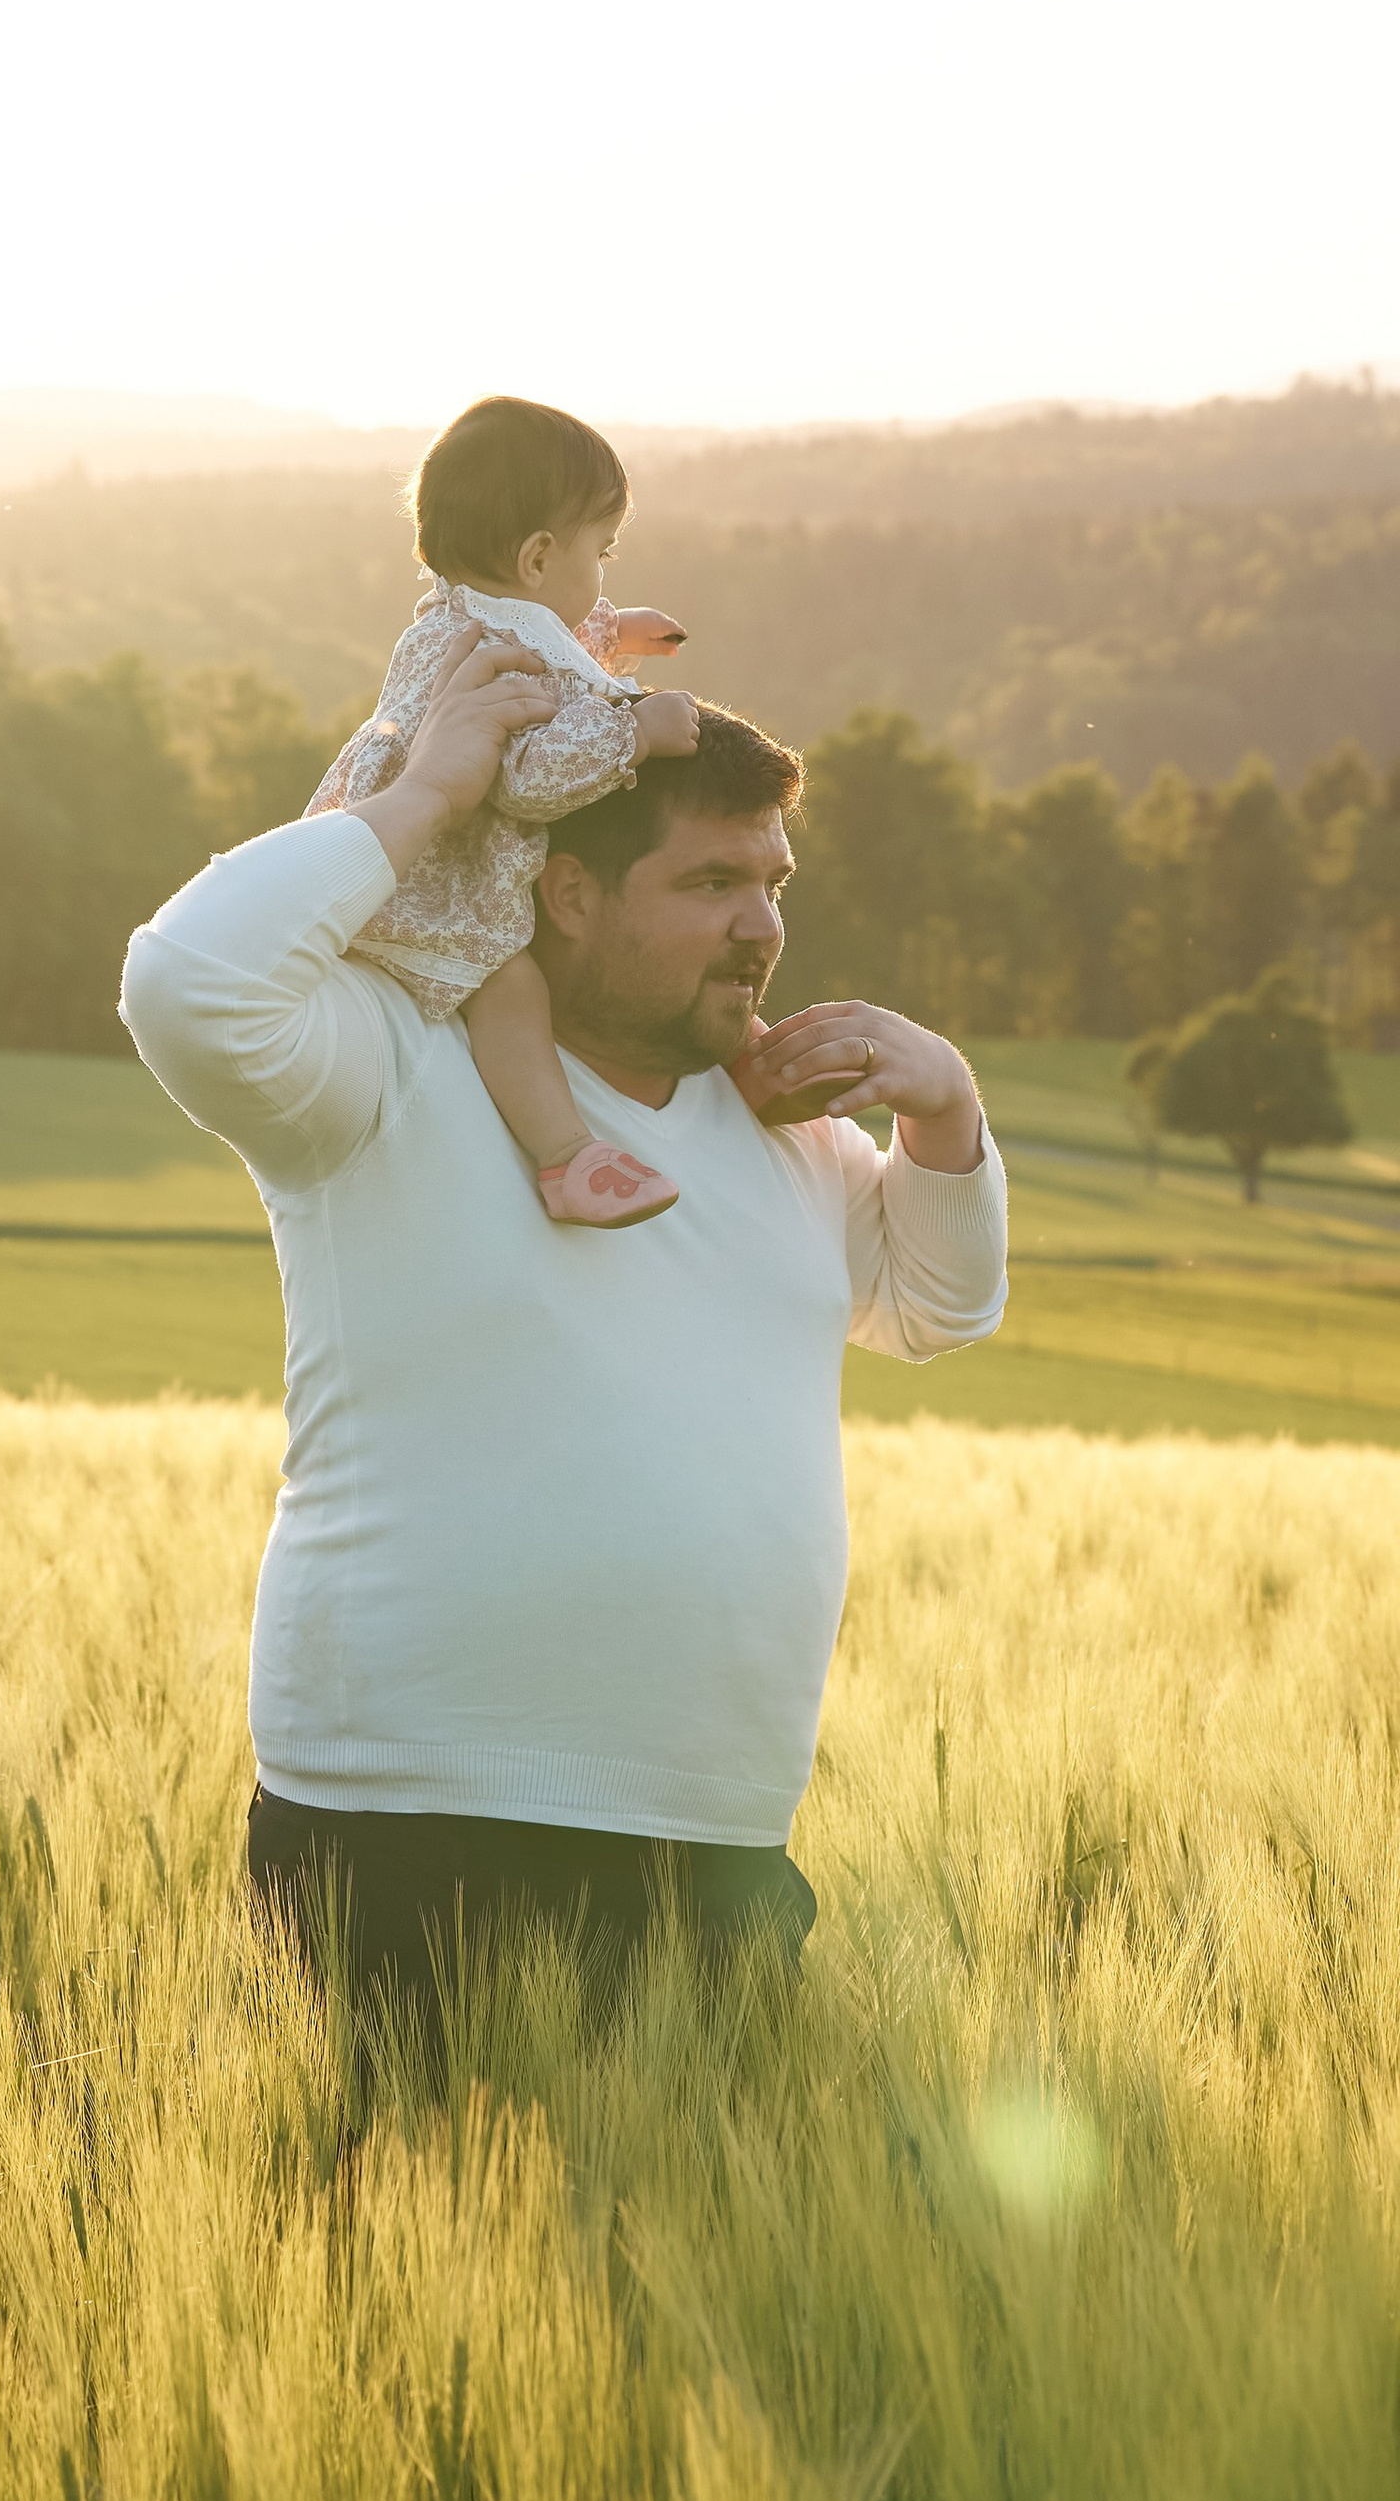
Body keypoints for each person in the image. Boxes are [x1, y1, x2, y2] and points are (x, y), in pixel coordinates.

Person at [119, 627, 1007, 2003]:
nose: (763, 925)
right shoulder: (384, 1069)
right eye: (713, 881)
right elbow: (189, 983)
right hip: (408, 1822)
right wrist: (421, 801)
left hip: (717, 1839)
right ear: (569, 892)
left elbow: (936, 1310)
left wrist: (943, 1107)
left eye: (772, 882)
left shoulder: (790, 1131)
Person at [308, 394, 700, 1230]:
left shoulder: (464, 614)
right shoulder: (510, 653)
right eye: (603, 553)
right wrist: (635, 732)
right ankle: (567, 1158)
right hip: (432, 879)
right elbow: (527, 775)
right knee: (510, 984)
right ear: (536, 558)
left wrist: (607, 629)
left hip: (377, 844)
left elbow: (549, 631)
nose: (604, 574)